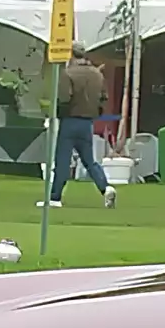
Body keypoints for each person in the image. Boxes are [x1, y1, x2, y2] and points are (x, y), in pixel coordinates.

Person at [39, 46, 116, 208]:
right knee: (90, 161)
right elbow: (104, 97)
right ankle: (105, 188)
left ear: (71, 55)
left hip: (70, 120)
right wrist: (96, 112)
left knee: (62, 161)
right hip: (87, 122)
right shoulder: (97, 74)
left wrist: (55, 113)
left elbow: (65, 98)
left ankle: (55, 197)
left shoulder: (68, 73)